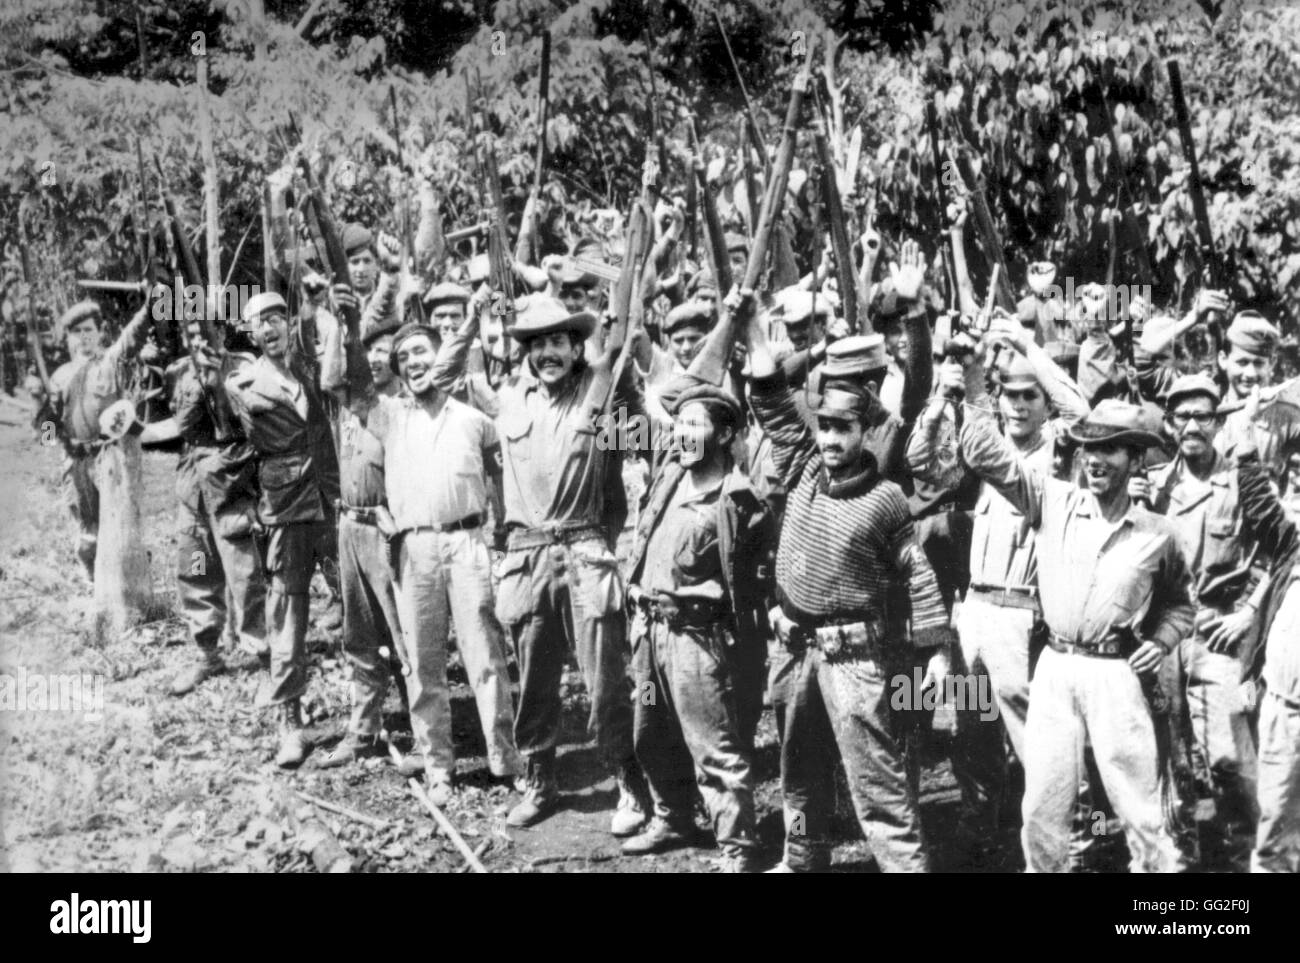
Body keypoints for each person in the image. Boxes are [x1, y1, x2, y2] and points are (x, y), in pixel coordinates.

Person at [956, 338, 1194, 872]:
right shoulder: (1053, 500)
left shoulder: (1158, 533)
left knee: (1138, 807)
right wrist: (974, 378)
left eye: (1110, 449)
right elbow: (986, 454)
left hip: (1117, 675)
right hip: (1055, 670)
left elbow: (1181, 604)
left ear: (1135, 457)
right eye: (1089, 448)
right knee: (1042, 805)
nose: (1095, 459)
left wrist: (1161, 641)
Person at [744, 316, 955, 873]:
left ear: (866, 431)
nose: (832, 439)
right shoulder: (802, 468)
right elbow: (769, 396)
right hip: (794, 650)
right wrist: (746, 320)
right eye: (825, 427)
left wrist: (935, 651)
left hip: (855, 659)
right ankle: (802, 858)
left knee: (877, 785)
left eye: (844, 429)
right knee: (799, 772)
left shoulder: (886, 498)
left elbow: (918, 574)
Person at [433, 296, 649, 834]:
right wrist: (472, 317)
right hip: (527, 559)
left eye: (558, 341)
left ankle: (629, 781)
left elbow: (626, 387)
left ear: (577, 346)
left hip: (584, 552)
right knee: (534, 684)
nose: (548, 352)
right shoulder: (506, 399)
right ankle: (539, 781)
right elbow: (446, 373)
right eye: (537, 344)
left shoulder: (599, 389)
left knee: (605, 682)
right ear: (524, 352)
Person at [909, 315, 1090, 846]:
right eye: (1008, 395)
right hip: (975, 615)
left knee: (1036, 740)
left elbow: (1080, 409)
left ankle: (1065, 840)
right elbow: (921, 461)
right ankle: (980, 834)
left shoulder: (1058, 455)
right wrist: (944, 394)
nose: (1017, 405)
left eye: (1029, 396)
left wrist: (1028, 345)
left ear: (1044, 402)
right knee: (973, 733)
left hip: (1022, 616)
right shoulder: (981, 458)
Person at [333, 318, 523, 799]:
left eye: (423, 353)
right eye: (405, 358)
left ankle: (506, 757)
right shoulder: (390, 416)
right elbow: (351, 384)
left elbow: (502, 475)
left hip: (467, 543)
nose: (415, 363)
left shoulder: (473, 418)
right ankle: (439, 765)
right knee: (423, 661)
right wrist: (345, 325)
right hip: (414, 550)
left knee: (485, 655)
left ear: (442, 359)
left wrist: (503, 533)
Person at [621, 384, 774, 870]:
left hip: (697, 645)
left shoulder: (737, 501)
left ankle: (737, 851)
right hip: (650, 638)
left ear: (724, 432)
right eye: (679, 423)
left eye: (695, 424)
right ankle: (672, 817)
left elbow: (753, 584)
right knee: (648, 731)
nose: (682, 433)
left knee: (714, 750)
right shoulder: (668, 479)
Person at [1141, 374, 1266, 846]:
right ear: (1170, 424)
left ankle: (1253, 851)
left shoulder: (1241, 480)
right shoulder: (1152, 485)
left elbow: (1277, 551)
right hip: (1162, 635)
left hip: (1218, 631)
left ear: (1217, 422)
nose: (1192, 425)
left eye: (1203, 416)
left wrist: (1250, 610)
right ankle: (1183, 851)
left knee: (1231, 755)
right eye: (1183, 416)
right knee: (1168, 756)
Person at [226, 291, 340, 768]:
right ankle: (290, 722)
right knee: (287, 615)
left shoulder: (313, 370)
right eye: (259, 323)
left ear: (289, 322)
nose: (269, 328)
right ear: (250, 334)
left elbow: (334, 382)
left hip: (331, 499)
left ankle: (376, 708)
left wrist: (322, 313)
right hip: (284, 507)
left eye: (276, 318)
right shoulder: (242, 382)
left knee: (359, 600)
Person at [314, 307, 410, 769]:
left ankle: (425, 729)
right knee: (359, 636)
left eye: (384, 351)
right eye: (368, 350)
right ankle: (364, 728)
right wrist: (335, 321)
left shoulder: (402, 408)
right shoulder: (350, 405)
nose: (375, 358)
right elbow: (329, 375)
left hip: (387, 531)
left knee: (403, 630)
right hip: (349, 526)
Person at [167, 315, 268, 696]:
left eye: (207, 330)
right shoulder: (178, 372)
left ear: (222, 330)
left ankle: (264, 656)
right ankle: (208, 651)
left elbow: (252, 428)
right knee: (196, 567)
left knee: (245, 575)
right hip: (192, 488)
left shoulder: (242, 367)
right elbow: (177, 425)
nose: (200, 338)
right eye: (191, 332)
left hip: (230, 485)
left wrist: (221, 384)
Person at [40, 298, 154, 579]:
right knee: (87, 534)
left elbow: (132, 337)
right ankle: (94, 589)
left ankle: (130, 589)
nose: (84, 337)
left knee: (122, 524)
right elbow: (47, 431)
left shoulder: (111, 361)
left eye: (89, 330)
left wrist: (149, 307)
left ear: (100, 332)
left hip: (110, 457)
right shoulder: (59, 376)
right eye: (77, 332)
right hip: (76, 463)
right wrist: (50, 425)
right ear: (68, 338)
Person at [1233, 422, 1300, 872]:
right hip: (1287, 710)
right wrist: (1245, 451)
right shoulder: (1294, 541)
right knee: (1275, 831)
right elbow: (1262, 509)